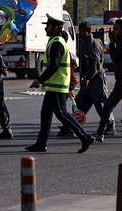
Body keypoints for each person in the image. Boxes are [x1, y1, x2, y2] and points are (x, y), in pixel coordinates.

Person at [26, 14, 94, 153]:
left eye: (48, 26)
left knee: (62, 114)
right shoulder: (54, 41)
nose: (46, 28)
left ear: (56, 28)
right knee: (45, 114)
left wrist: (40, 79)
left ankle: (85, 136)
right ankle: (41, 143)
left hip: (56, 86)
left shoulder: (57, 42)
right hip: (53, 86)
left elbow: (54, 66)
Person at [72, 21, 115, 135]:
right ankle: (73, 124)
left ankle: (110, 125)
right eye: (79, 32)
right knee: (80, 102)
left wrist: (87, 79)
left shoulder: (93, 43)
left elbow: (95, 64)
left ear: (88, 32)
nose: (80, 34)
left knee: (101, 103)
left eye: (82, 32)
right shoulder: (84, 43)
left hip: (96, 78)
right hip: (87, 79)